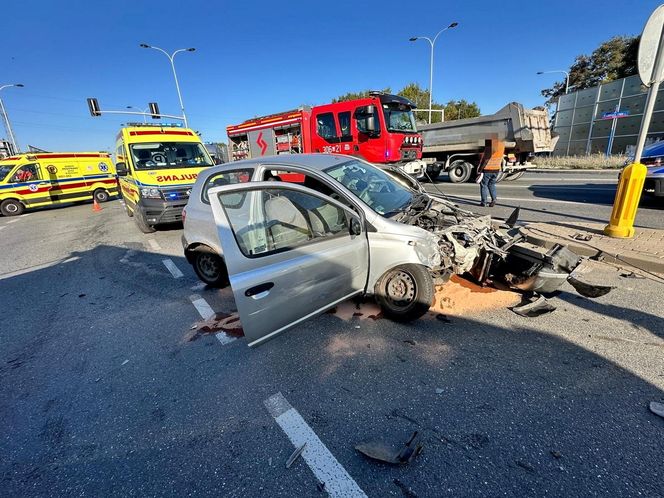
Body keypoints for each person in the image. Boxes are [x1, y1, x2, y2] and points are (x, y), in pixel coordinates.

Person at [478, 138, 504, 207]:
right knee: (492, 184)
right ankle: (494, 199)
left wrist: (480, 169)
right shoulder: (502, 144)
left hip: (488, 169)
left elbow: (486, 159)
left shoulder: (491, 144)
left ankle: (484, 202)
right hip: (496, 169)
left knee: (484, 185)